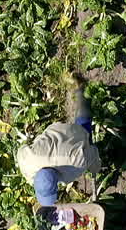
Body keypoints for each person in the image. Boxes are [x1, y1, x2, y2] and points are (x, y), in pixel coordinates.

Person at [16, 76, 100, 210]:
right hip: (53, 132)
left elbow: (93, 152)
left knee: (85, 129)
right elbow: (22, 148)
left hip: (71, 133)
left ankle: (81, 90)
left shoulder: (77, 159)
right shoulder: (27, 162)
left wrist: (95, 169)